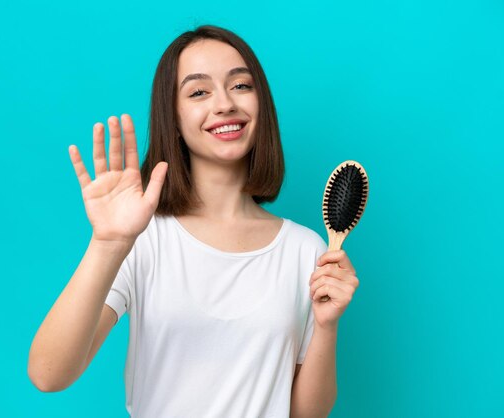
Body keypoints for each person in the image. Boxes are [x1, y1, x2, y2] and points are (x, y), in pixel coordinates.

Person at [28, 25, 360, 418]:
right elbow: (49, 374)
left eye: (240, 85)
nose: (224, 104)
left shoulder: (306, 250)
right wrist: (108, 243)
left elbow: (307, 414)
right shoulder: (144, 239)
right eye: (199, 92)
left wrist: (326, 326)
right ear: (174, 117)